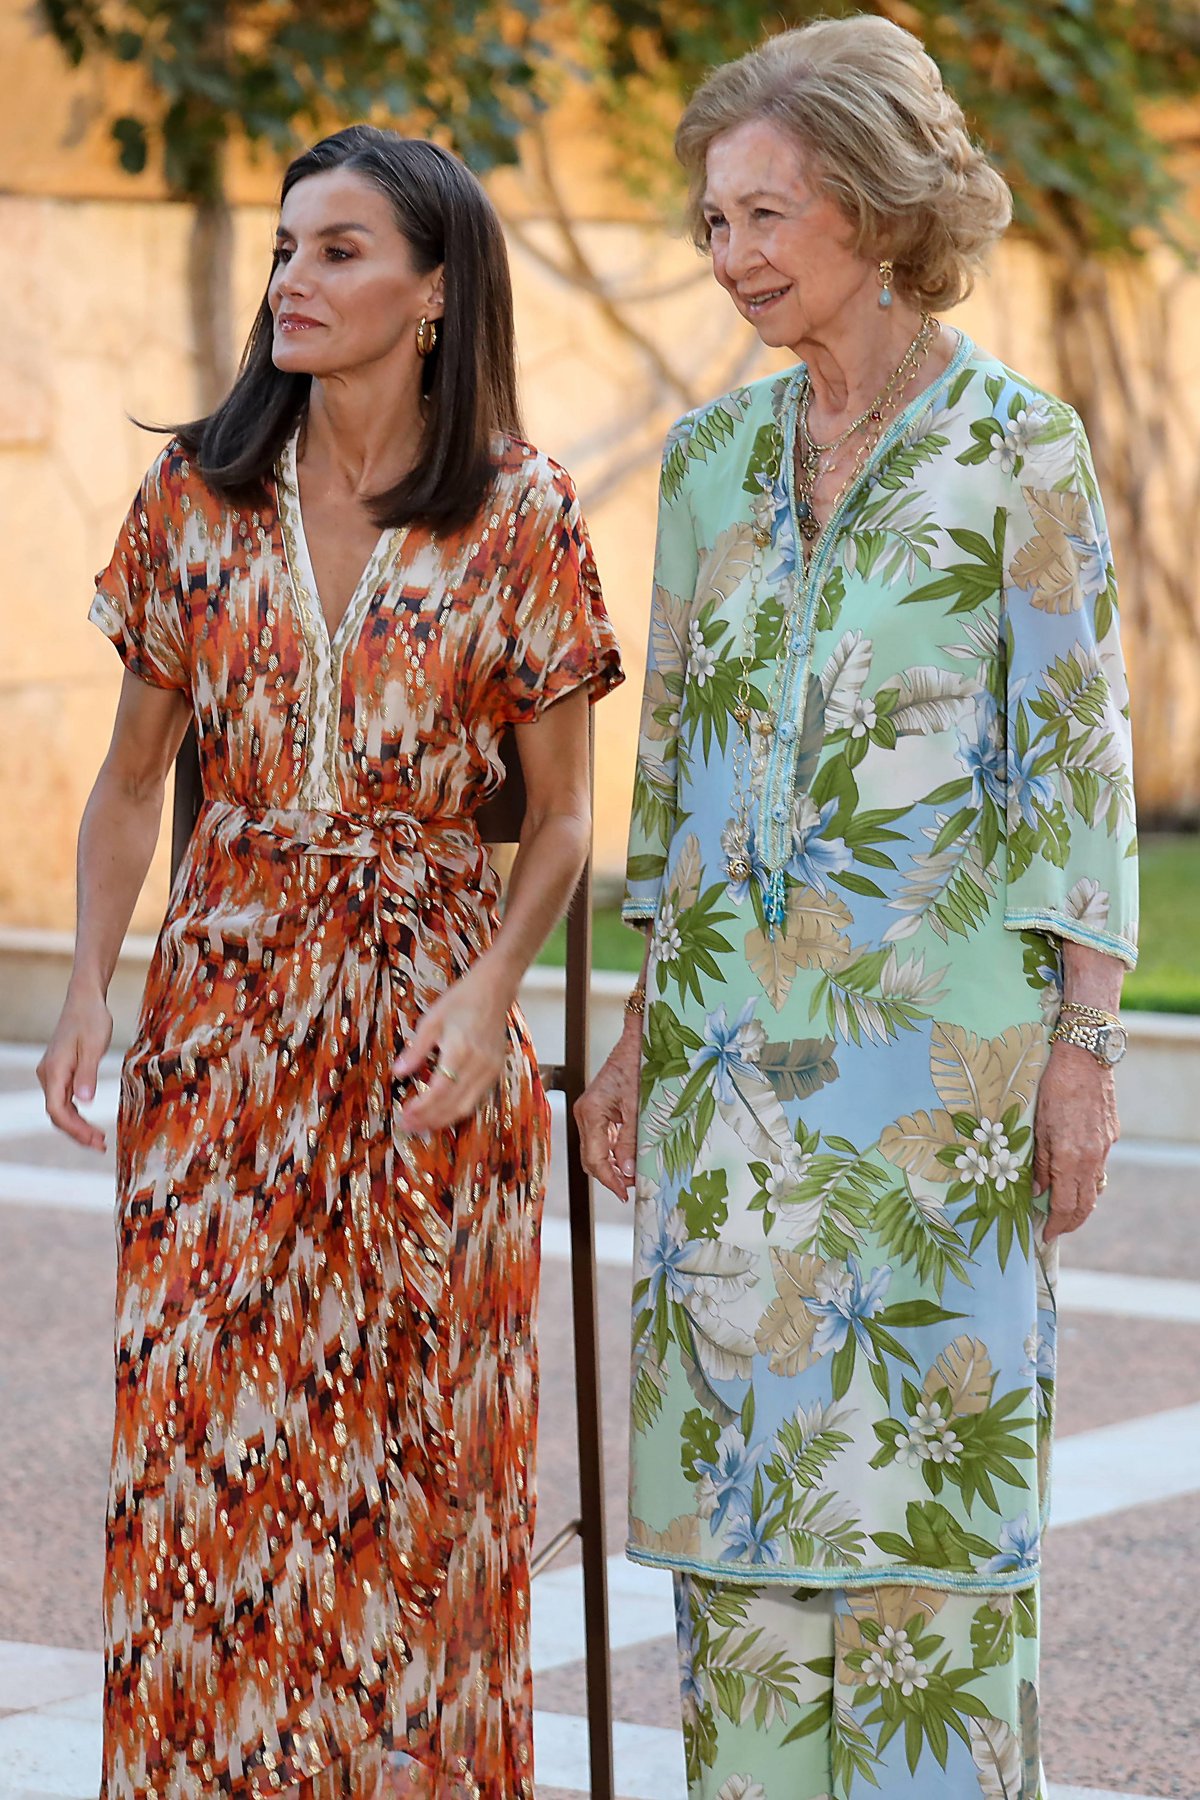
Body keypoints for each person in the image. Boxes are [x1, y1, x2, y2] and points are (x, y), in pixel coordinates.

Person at [576, 18, 1136, 1799]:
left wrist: (1086, 1048)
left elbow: (1076, 765)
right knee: (743, 1538)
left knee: (925, 1543)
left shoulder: (1021, 452)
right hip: (734, 1089)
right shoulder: (714, 463)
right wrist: (632, 1037)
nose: (731, 255)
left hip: (937, 1104)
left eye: (765, 215)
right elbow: (673, 774)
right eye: (715, 223)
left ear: (880, 215)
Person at [38, 125, 622, 1800]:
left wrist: (489, 990)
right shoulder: (195, 495)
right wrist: (92, 984)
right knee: (209, 1450)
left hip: (433, 1030)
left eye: (341, 251)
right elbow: (135, 777)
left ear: (436, 293)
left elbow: (568, 824)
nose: (295, 280)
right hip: (223, 1032)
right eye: (288, 249)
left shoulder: (523, 513)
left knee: (420, 1457)